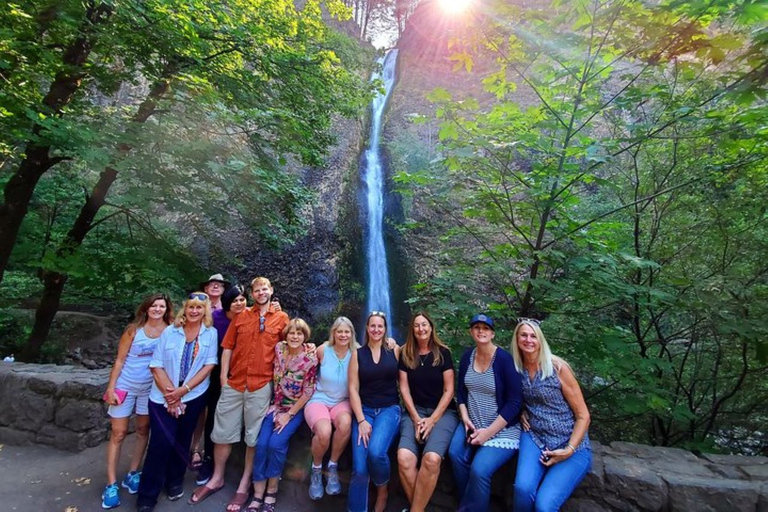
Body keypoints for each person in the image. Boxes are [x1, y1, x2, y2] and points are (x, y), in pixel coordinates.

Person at [189, 277, 289, 512]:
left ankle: (245, 485)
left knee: (253, 438)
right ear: (252, 293)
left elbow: (291, 347)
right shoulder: (241, 316)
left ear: (271, 291)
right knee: (222, 433)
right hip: (234, 383)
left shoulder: (282, 319)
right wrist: (223, 377)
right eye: (257, 290)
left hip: (261, 384)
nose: (262, 292)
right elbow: (228, 347)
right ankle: (217, 478)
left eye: (265, 289)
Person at [135, 292, 218, 512]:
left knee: (182, 440)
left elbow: (209, 365)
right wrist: (170, 395)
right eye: (191, 307)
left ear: (204, 311)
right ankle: (147, 495)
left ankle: (174, 482)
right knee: (160, 443)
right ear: (185, 308)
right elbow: (156, 364)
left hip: (193, 395)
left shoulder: (211, 333)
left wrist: (184, 390)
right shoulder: (170, 332)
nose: (194, 311)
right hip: (162, 397)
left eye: (199, 308)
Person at [511, 318, 592, 512]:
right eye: (524, 335)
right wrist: (522, 410)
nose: (528, 340)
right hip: (535, 437)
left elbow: (584, 416)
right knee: (522, 489)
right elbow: (513, 399)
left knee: (544, 505)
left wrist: (569, 449)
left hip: (570, 444)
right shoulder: (516, 368)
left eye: (533, 336)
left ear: (540, 340)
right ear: (517, 339)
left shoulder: (557, 368)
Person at [101, 293, 173, 509]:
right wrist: (111, 387)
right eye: (154, 306)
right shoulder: (134, 330)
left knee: (143, 430)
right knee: (119, 433)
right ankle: (111, 483)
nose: (157, 309)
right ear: (146, 308)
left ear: (167, 309)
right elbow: (120, 359)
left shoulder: (170, 331)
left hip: (150, 389)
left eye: (161, 306)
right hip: (126, 385)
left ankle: (133, 472)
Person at [448, 314, 522, 512]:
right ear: (471, 332)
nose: (481, 331)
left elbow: (515, 402)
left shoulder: (504, 360)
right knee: (455, 454)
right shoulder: (467, 356)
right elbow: (461, 393)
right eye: (476, 327)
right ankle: (469, 504)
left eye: (486, 328)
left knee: (479, 470)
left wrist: (488, 433)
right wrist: (464, 417)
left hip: (502, 429)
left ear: (493, 333)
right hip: (471, 422)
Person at [248, 318, 318, 511]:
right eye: (292, 333)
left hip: (294, 409)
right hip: (275, 406)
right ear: (286, 335)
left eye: (299, 333)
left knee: (275, 444)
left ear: (305, 336)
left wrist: (289, 415)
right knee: (261, 444)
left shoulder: (310, 358)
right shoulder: (280, 348)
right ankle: (257, 493)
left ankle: (272, 490)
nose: (295, 336)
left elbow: (308, 391)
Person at [397, 312, 458, 512]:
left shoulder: (443, 353)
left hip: (443, 412)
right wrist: (416, 418)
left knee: (431, 459)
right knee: (404, 458)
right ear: (412, 330)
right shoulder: (406, 354)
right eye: (417, 325)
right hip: (414, 411)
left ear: (431, 327)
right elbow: (404, 388)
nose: (421, 329)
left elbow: (449, 390)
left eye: (424, 325)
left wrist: (432, 420)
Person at [191, 284, 249, 484]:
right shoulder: (215, 320)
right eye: (235, 300)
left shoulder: (250, 316)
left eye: (242, 299)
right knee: (213, 415)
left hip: (242, 374)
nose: (239, 303)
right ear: (227, 303)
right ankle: (208, 459)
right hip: (215, 373)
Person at [348, 311, 401, 512]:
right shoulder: (357, 354)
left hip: (389, 410)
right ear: (367, 328)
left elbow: (416, 355)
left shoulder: (394, 351)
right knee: (360, 469)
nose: (376, 330)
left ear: (385, 329)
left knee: (376, 452)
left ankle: (382, 490)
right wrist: (361, 420)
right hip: (365, 411)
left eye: (380, 326)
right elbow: (353, 388)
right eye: (373, 326)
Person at [305, 316, 358, 500]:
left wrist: (391, 343)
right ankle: (316, 470)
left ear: (352, 334)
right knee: (324, 430)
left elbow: (380, 351)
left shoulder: (357, 352)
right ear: (333, 333)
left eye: (347, 331)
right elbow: (303, 365)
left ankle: (332, 466)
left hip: (342, 401)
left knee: (345, 424)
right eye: (339, 331)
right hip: (319, 399)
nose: (343, 335)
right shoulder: (322, 350)